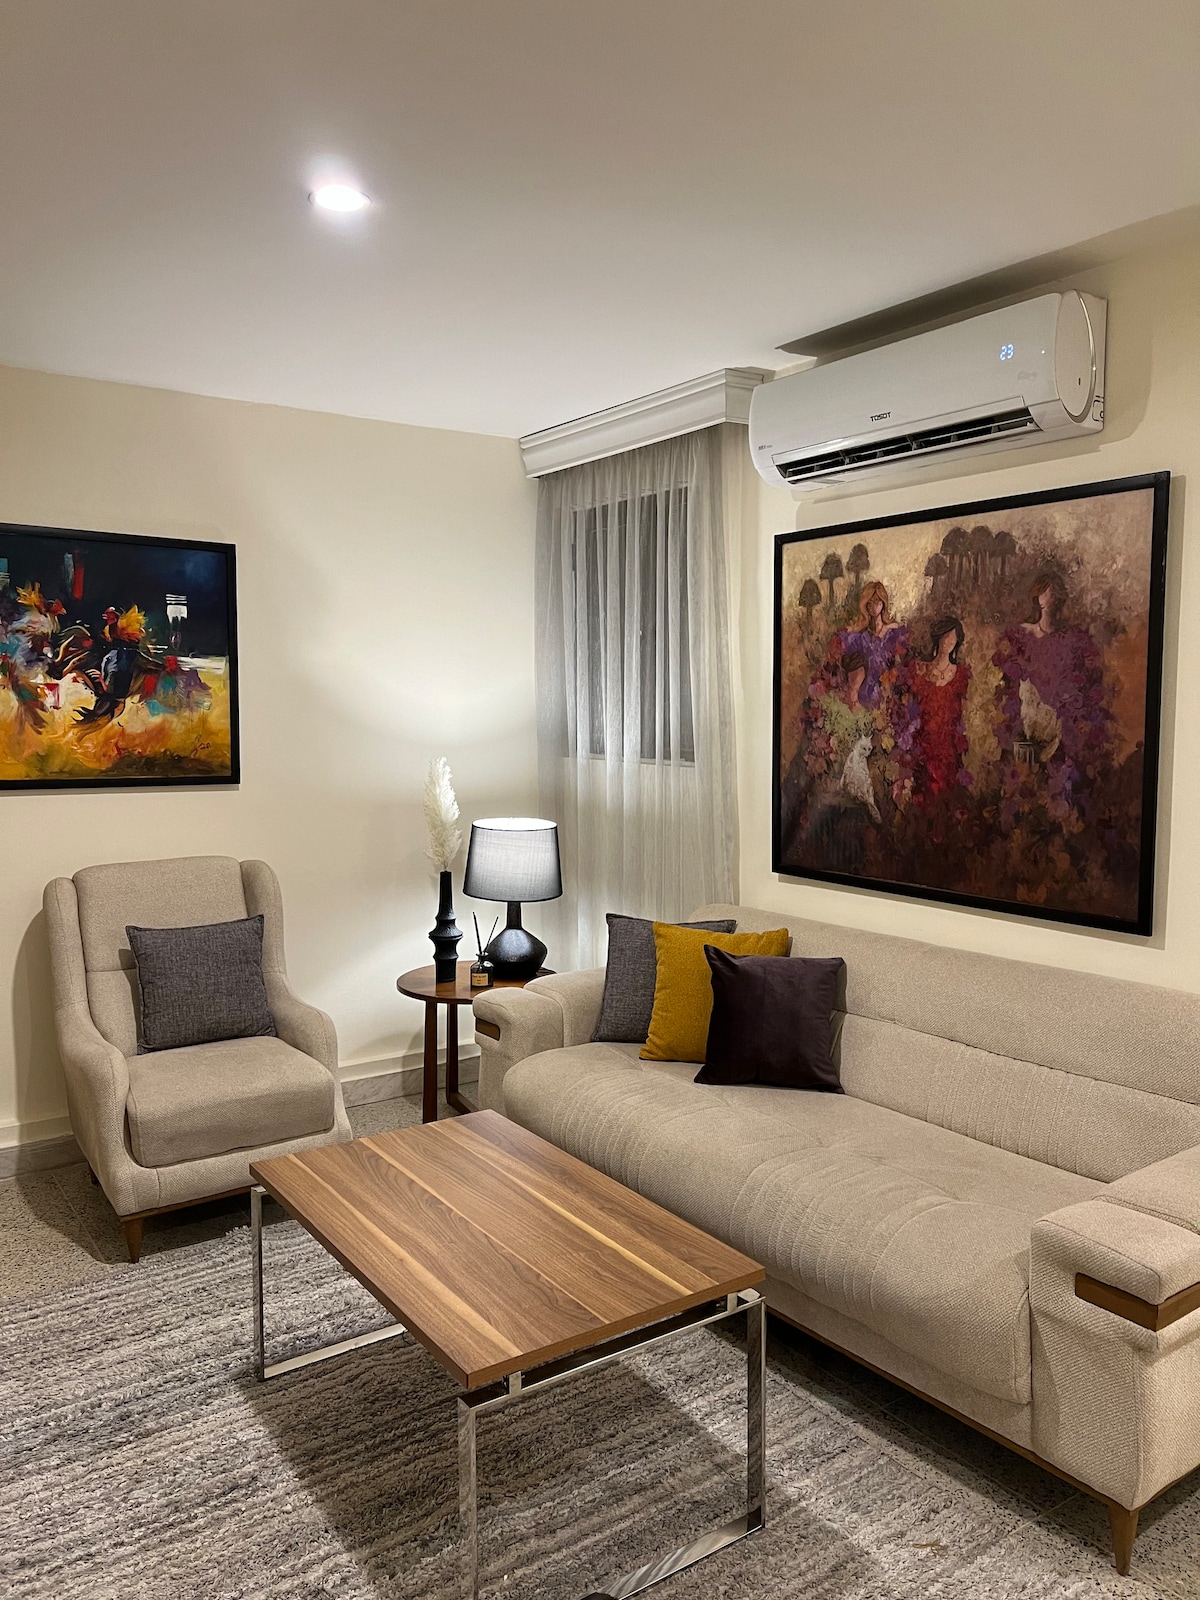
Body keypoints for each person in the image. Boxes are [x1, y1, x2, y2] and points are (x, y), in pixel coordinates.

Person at [992, 572, 1110, 821]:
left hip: (1061, 720)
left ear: (1060, 598)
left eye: (1054, 593)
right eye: (1044, 592)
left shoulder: (1071, 638)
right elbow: (1008, 678)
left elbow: (1085, 679)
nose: (1049, 598)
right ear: (1037, 597)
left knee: (1059, 787)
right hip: (1028, 718)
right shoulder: (1022, 634)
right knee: (1026, 785)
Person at [908, 617, 971, 799]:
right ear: (938, 637)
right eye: (946, 637)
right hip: (922, 744)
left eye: (953, 638)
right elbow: (910, 708)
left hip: (949, 747)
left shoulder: (961, 675)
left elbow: (966, 714)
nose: (948, 642)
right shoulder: (920, 669)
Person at [838, 581, 909, 709]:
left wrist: (887, 627)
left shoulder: (891, 633)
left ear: (883, 603)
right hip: (865, 691)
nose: (873, 607)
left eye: (877, 602)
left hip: (887, 690)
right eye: (869, 603)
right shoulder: (861, 637)